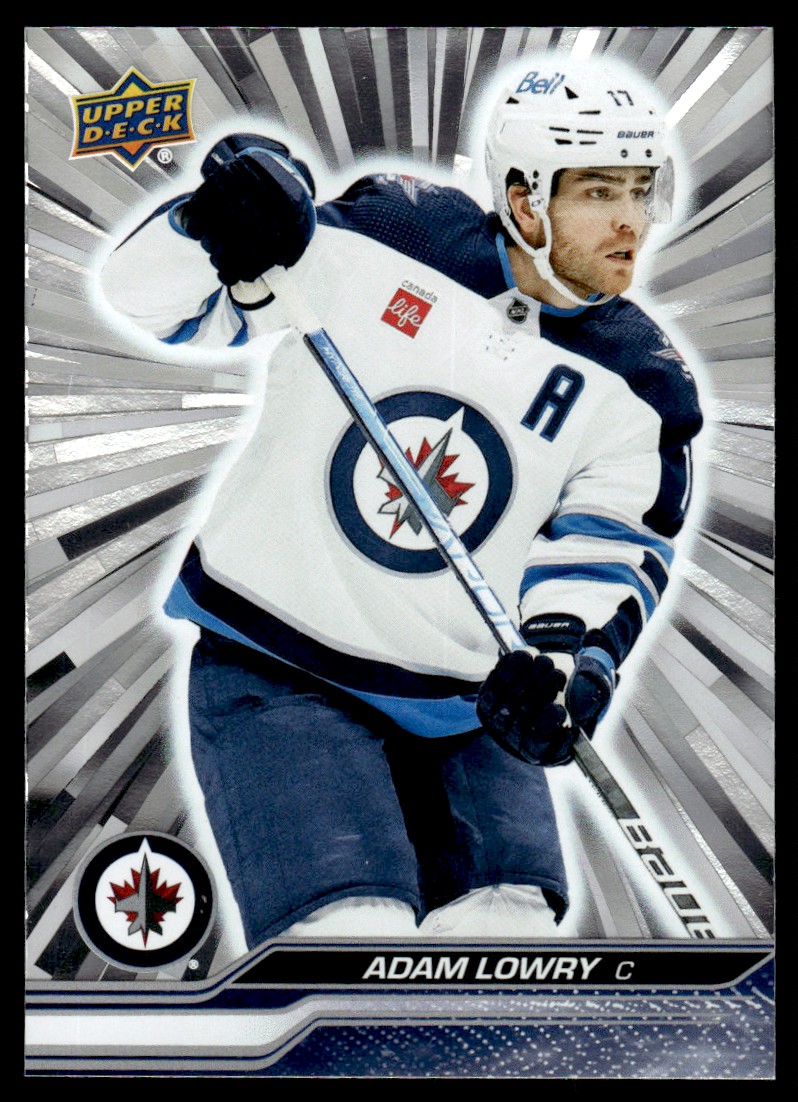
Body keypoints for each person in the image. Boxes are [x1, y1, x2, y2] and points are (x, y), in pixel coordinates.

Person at [99, 54, 703, 945]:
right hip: (278, 666)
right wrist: (209, 224)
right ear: (525, 200)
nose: (630, 221)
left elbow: (609, 544)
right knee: (355, 937)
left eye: (642, 192)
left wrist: (563, 663)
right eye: (599, 192)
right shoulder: (391, 233)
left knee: (508, 942)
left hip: (468, 705)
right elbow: (151, 303)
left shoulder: (643, 382)